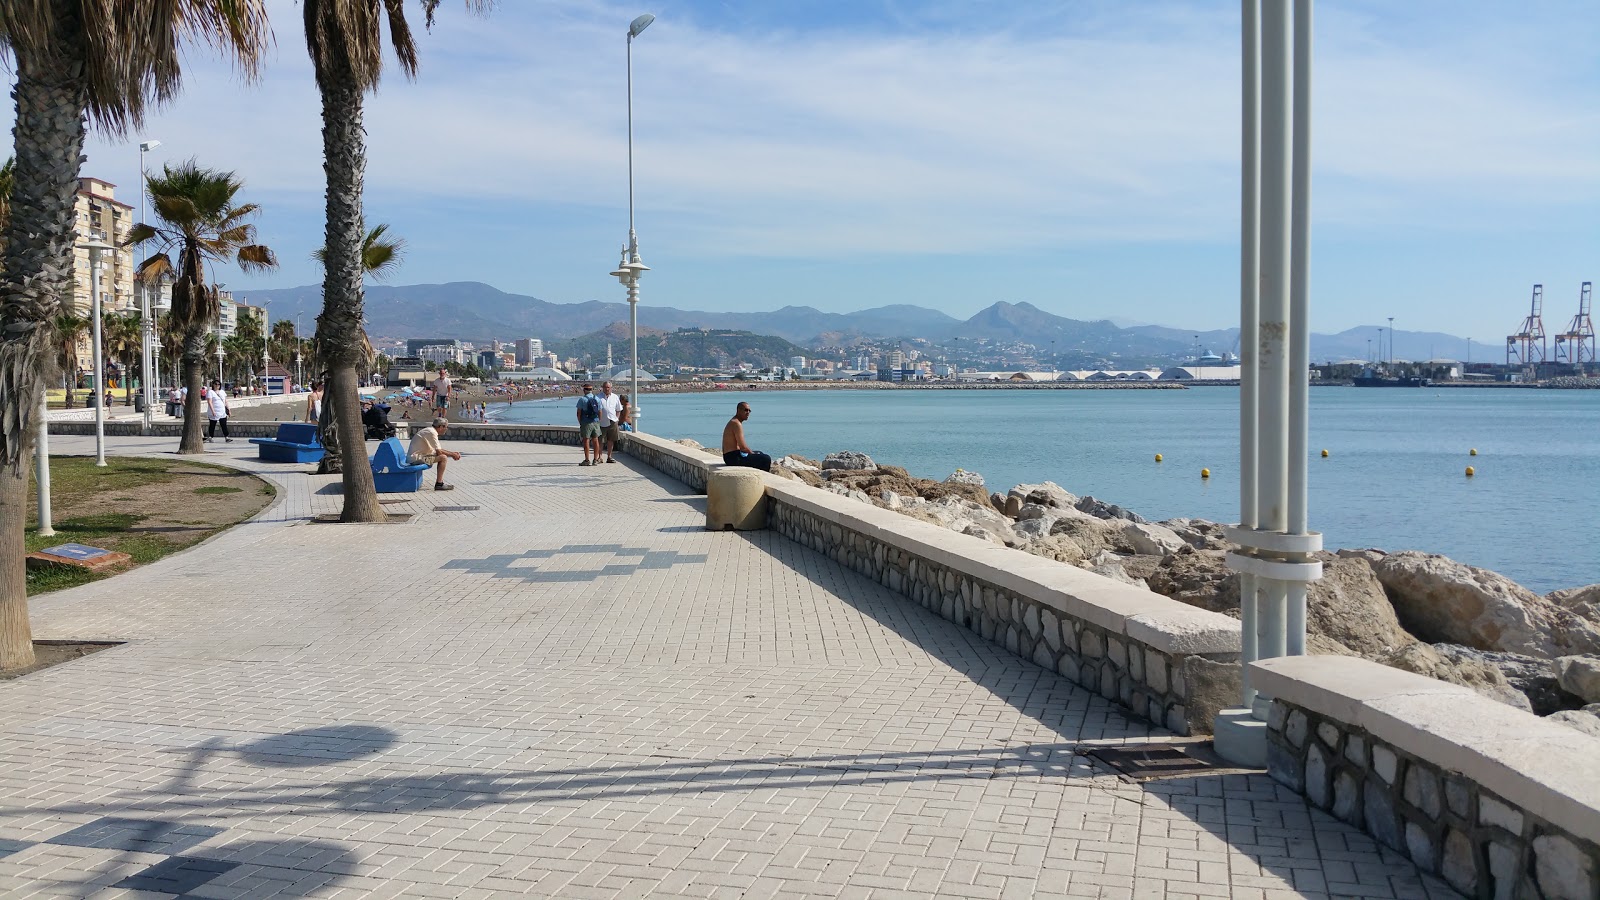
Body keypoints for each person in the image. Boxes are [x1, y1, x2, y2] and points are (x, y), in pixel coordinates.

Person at [408, 416, 461, 491]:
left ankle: (439, 483)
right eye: (446, 427)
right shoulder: (432, 433)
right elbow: (439, 452)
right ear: (440, 427)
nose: (446, 429)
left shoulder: (430, 431)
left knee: (441, 456)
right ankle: (439, 484)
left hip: (417, 457)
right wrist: (453, 454)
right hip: (416, 459)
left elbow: (437, 451)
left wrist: (452, 453)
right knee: (443, 458)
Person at [722, 402, 772, 471]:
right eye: (745, 410)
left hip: (731, 456)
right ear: (739, 410)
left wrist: (754, 454)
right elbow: (743, 447)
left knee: (760, 453)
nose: (748, 412)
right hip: (733, 458)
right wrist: (752, 453)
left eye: (749, 410)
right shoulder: (736, 424)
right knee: (766, 459)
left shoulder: (735, 422)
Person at [596, 381, 623, 464]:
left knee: (611, 440)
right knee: (600, 440)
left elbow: (618, 409)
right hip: (601, 422)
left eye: (608, 387)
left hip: (612, 421)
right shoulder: (598, 397)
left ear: (611, 388)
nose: (607, 389)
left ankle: (609, 456)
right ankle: (599, 457)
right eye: (605, 387)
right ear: (602, 387)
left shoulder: (615, 397)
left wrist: (617, 419)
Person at [575, 383, 603, 466]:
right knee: (596, 440)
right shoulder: (597, 399)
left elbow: (578, 413)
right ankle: (595, 459)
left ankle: (587, 460)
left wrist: (580, 422)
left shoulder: (582, 399)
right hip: (595, 421)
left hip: (586, 422)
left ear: (585, 390)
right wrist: (598, 420)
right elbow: (600, 411)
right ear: (591, 390)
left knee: (586, 441)